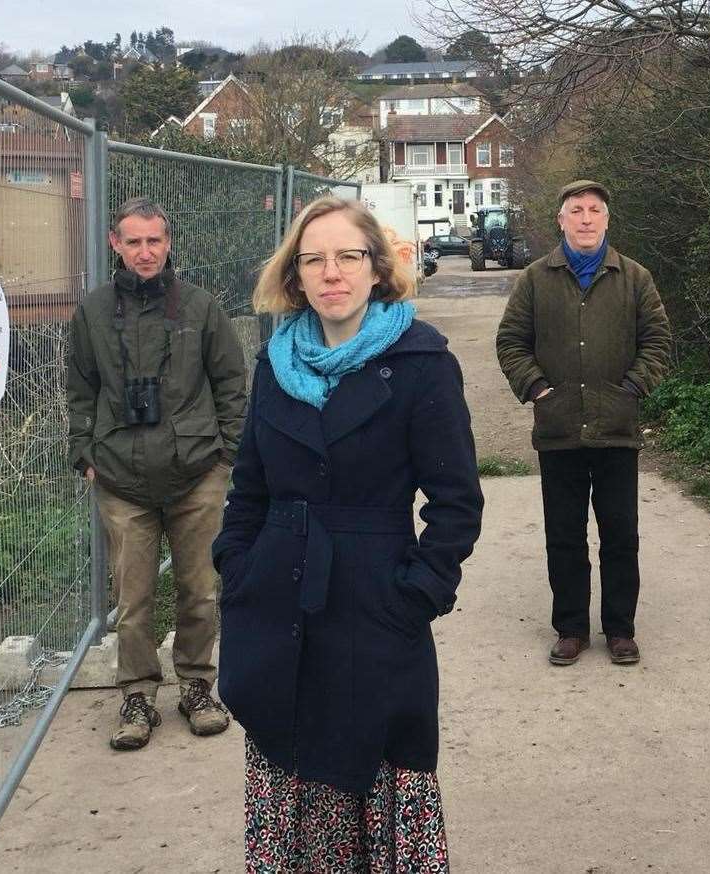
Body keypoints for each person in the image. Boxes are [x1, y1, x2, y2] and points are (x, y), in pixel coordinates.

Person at [212, 196, 483, 872]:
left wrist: (419, 591)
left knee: (379, 767)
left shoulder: (421, 361)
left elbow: (455, 501)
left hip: (375, 609)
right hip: (277, 606)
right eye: (314, 260)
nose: (331, 273)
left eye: (347, 257)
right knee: (290, 760)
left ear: (376, 268)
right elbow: (249, 486)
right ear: (295, 276)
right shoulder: (275, 363)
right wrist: (236, 568)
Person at [67, 196, 247, 750]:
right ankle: (137, 696)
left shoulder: (200, 306)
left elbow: (231, 383)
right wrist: (85, 454)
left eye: (155, 241)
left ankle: (196, 685)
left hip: (196, 472)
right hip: (121, 476)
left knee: (199, 589)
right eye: (134, 241)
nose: (146, 252)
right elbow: (79, 387)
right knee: (134, 597)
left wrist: (226, 455)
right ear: (115, 245)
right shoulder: (93, 312)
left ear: (168, 244)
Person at [496, 179, 671, 666]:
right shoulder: (535, 278)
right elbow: (511, 340)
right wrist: (535, 388)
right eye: (577, 210)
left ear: (608, 219)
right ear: (562, 219)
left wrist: (632, 388)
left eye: (595, 210)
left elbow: (657, 341)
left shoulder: (635, 278)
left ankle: (620, 629)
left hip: (617, 430)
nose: (586, 218)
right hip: (559, 431)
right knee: (564, 536)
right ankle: (571, 628)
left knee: (620, 534)